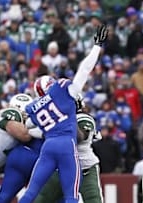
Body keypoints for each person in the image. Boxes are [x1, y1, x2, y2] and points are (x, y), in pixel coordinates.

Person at [19, 24, 108, 203]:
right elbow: (84, 70)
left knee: (30, 193)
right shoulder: (63, 90)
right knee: (71, 196)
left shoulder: (34, 106)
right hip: (66, 145)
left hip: (48, 146)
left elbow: (29, 127)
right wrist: (97, 47)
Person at [35, 100, 103, 203]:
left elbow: (79, 137)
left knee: (93, 200)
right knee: (39, 199)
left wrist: (67, 119)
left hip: (85, 169)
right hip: (62, 169)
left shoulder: (84, 118)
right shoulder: (56, 120)